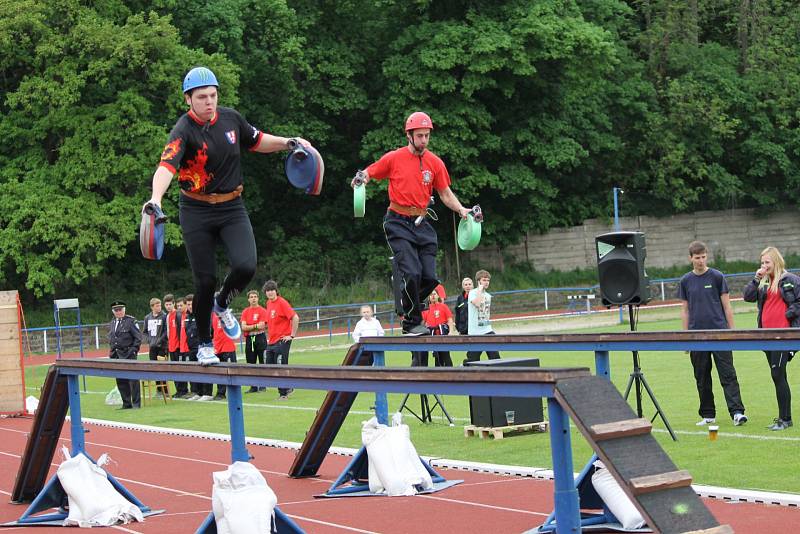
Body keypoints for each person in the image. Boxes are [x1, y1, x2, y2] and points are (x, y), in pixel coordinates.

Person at [145, 66, 310, 366]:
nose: (209, 102)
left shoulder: (231, 119)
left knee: (246, 266)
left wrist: (290, 142)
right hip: (195, 209)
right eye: (202, 97)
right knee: (204, 281)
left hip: (232, 206)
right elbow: (166, 167)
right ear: (188, 99)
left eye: (213, 95)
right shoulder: (183, 130)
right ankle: (206, 344)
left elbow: (258, 140)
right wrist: (155, 199)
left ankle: (223, 303)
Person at [351, 111, 472, 335]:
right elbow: (369, 172)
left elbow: (445, 193)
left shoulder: (435, 163)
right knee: (413, 273)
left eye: (427, 135)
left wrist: (462, 209)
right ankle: (411, 322)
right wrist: (360, 180)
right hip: (397, 222)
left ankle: (407, 306)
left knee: (430, 277)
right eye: (420, 136)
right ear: (409, 135)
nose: (424, 140)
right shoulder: (394, 158)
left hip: (422, 223)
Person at [679, 241, 747, 426]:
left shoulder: (717, 276)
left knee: (728, 375)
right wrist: (685, 338)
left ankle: (737, 413)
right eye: (697, 257)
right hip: (696, 337)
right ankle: (708, 415)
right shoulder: (685, 281)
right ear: (690, 258)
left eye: (703, 257)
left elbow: (727, 306)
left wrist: (731, 333)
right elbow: (684, 310)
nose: (700, 261)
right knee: (701, 376)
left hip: (720, 335)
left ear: (706, 256)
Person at [742, 246, 798, 431]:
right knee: (778, 375)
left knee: (777, 374)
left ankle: (785, 419)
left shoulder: (789, 279)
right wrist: (756, 277)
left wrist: (788, 315)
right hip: (766, 335)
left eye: (767, 262)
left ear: (776, 261)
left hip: (783, 335)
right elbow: (747, 297)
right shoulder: (763, 281)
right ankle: (784, 418)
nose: (764, 265)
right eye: (762, 262)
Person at [263, 280, 299, 399]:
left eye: (272, 290)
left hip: (283, 340)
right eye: (268, 290)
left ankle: (283, 394)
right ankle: (288, 386)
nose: (270, 292)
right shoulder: (268, 303)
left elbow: (295, 317)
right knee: (269, 367)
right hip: (272, 341)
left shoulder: (282, 302)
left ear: (276, 291)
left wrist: (292, 335)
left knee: (280, 365)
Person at [108, 301, 143, 409]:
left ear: (124, 310)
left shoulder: (130, 321)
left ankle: (136, 403)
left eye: (120, 309)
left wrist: (133, 350)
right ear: (113, 312)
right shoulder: (113, 322)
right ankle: (126, 403)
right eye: (116, 310)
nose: (118, 312)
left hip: (128, 354)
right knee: (120, 380)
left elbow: (138, 337)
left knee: (133, 379)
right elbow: (112, 338)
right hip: (117, 355)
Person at [465, 270, 501, 363]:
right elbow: (477, 304)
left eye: (488, 280)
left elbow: (486, 314)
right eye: (484, 280)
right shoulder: (472, 293)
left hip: (487, 330)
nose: (486, 282)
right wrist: (480, 290)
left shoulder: (488, 296)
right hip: (475, 332)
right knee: (473, 360)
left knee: (495, 358)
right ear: (478, 281)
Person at [413, 289, 455, 367]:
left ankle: (450, 373)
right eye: (431, 294)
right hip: (431, 336)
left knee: (446, 356)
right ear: (428, 297)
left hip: (442, 335)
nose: (432, 296)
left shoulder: (443, 306)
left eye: (434, 294)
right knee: (436, 356)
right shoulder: (426, 309)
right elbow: (422, 323)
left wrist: (451, 331)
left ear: (438, 295)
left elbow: (449, 319)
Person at [241, 289, 269, 393]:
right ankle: (253, 386)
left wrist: (250, 326)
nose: (253, 299)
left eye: (255, 297)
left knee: (262, 361)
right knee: (250, 362)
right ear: (248, 299)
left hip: (260, 337)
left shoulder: (262, 310)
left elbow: (262, 326)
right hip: (250, 339)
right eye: (251, 297)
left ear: (258, 298)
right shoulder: (245, 311)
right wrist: (255, 326)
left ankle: (263, 385)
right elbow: (243, 327)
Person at [143, 297, 169, 398]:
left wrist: (160, 340)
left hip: (162, 347)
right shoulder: (147, 318)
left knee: (162, 368)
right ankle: (159, 390)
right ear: (152, 307)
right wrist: (149, 340)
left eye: (159, 305)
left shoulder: (164, 316)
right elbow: (144, 332)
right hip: (152, 347)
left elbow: (166, 331)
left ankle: (165, 391)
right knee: (154, 368)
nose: (159, 307)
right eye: (157, 306)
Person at [211, 313, 237, 400]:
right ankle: (220, 393)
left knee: (231, 372)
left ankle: (234, 392)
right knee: (219, 372)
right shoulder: (213, 316)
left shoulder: (228, 315)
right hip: (217, 348)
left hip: (228, 347)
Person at [169, 296, 189, 398]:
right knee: (176, 370)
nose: (180, 307)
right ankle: (179, 390)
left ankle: (184, 390)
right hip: (174, 347)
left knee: (183, 369)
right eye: (178, 306)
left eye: (181, 305)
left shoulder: (181, 315)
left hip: (181, 347)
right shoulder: (172, 316)